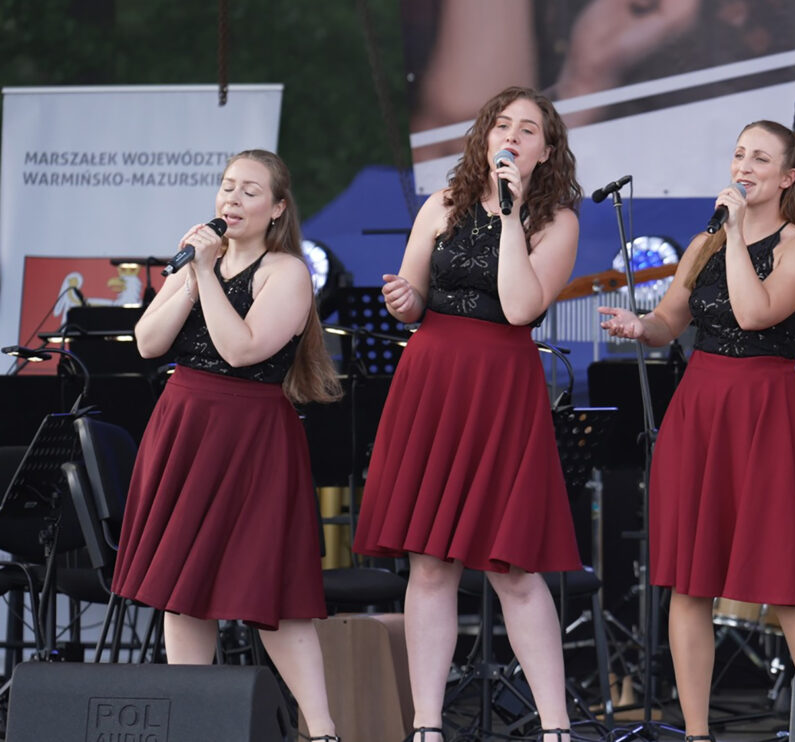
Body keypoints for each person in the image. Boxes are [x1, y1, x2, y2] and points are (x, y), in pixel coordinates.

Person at [353, 86, 583, 742]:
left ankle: (556, 727)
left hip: (501, 384)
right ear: (485, 137)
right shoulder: (442, 205)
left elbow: (518, 308)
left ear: (545, 151)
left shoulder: (555, 222)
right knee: (429, 562)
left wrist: (510, 216)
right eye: (501, 124)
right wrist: (404, 297)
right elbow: (412, 294)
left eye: (528, 130)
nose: (511, 136)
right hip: (433, 378)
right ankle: (426, 725)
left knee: (511, 566)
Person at [599, 119, 795, 742]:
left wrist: (731, 233)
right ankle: (698, 731)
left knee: (790, 586)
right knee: (689, 579)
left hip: (764, 411)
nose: (744, 165)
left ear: (787, 177)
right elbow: (668, 322)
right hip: (701, 407)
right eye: (738, 154)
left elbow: (754, 312)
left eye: (760, 157)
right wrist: (638, 327)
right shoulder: (705, 242)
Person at [113, 149, 344, 741]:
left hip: (251, 437)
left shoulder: (285, 271)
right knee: (182, 591)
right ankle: (193, 726)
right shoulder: (199, 264)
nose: (232, 200)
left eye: (249, 191)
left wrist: (209, 276)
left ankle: (321, 731)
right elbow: (146, 341)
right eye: (226, 188)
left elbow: (243, 349)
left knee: (269, 591)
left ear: (277, 208)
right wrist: (194, 274)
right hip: (185, 426)